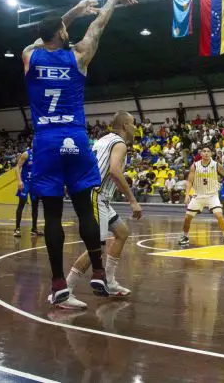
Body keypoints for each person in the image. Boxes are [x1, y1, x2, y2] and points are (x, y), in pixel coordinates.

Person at [22, 0, 138, 306]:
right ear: (61, 33)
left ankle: (59, 284)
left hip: (45, 141)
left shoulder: (30, 56)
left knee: (53, 217)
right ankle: (99, 272)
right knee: (86, 209)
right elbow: (98, 26)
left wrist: (71, 13)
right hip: (74, 139)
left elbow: (44, 34)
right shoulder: (79, 55)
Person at [64, 111, 143, 309]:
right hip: (96, 196)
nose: (136, 128)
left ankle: (109, 279)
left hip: (98, 196)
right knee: (95, 248)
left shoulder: (103, 140)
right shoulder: (120, 144)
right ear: (125, 125)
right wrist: (132, 199)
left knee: (122, 232)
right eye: (133, 124)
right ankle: (65, 291)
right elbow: (115, 170)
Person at [180, 145, 224, 246]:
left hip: (212, 195)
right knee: (187, 217)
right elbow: (189, 181)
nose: (206, 153)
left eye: (208, 151)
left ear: (211, 153)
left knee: (219, 215)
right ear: (201, 153)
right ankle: (185, 236)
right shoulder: (195, 165)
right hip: (198, 195)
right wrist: (187, 195)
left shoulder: (216, 165)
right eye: (204, 151)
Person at [13, 147, 42, 237]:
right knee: (21, 205)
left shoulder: (41, 154)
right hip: (25, 183)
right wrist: (19, 181)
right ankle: (17, 229)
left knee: (35, 206)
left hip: (34, 184)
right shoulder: (26, 154)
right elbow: (17, 168)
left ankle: (34, 229)